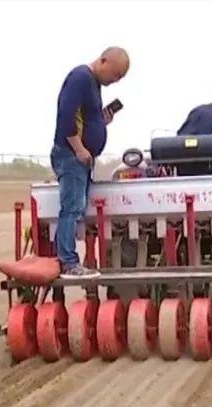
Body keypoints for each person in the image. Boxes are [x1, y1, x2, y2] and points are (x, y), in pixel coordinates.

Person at [51, 47, 130, 279]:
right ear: (103, 60)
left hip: (80, 159)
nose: (115, 81)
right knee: (72, 208)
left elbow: (84, 118)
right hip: (71, 156)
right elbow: (65, 115)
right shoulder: (81, 77)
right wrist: (79, 149)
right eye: (115, 75)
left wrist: (102, 120)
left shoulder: (92, 84)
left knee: (75, 208)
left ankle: (63, 259)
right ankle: (68, 262)